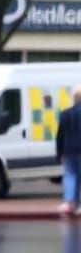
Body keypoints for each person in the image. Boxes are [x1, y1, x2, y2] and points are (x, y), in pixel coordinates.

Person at [55, 85, 81, 217]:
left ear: (74, 98)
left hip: (68, 150)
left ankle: (69, 203)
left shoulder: (65, 114)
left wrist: (60, 153)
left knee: (70, 176)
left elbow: (59, 136)